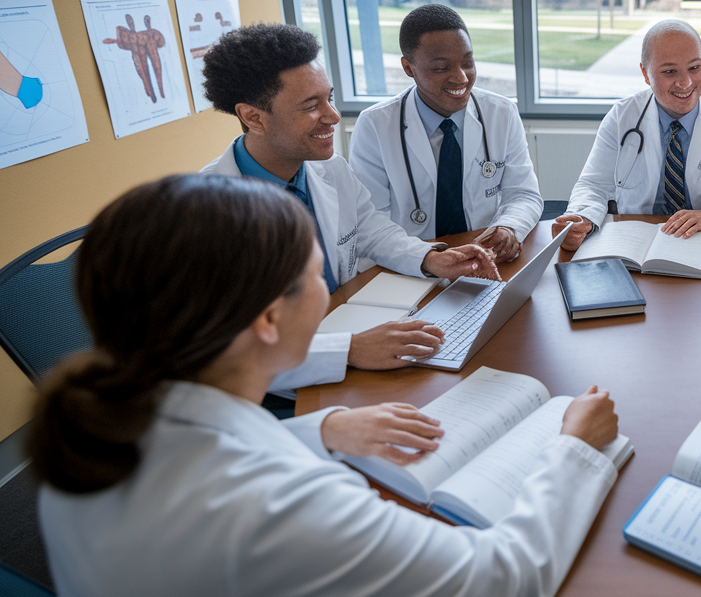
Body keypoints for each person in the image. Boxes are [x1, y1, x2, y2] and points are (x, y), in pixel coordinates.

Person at [32, 174, 621, 597]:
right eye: (317, 276)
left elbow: (212, 455)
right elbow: (502, 584)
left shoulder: (97, 426)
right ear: (268, 317)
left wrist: (322, 428)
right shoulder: (284, 508)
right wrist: (575, 449)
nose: (328, 290)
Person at [201, 23, 498, 391]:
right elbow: (220, 352)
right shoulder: (204, 218)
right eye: (311, 106)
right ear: (253, 117)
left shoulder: (328, 167)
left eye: (329, 97)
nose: (333, 116)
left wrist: (429, 258)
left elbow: (371, 229)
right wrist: (348, 350)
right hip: (276, 390)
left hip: (345, 328)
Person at [553, 20, 701, 250]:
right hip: (634, 244)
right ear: (645, 73)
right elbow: (594, 185)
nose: (685, 82)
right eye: (670, 71)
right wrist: (582, 219)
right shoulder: (622, 117)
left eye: (694, 68)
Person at [349, 4, 542, 263]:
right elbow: (371, 223)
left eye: (468, 62)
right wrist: (427, 259)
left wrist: (509, 227)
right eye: (441, 68)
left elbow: (524, 194)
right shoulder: (375, 125)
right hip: (410, 262)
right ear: (408, 68)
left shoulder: (501, 113)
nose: (461, 77)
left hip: (485, 258)